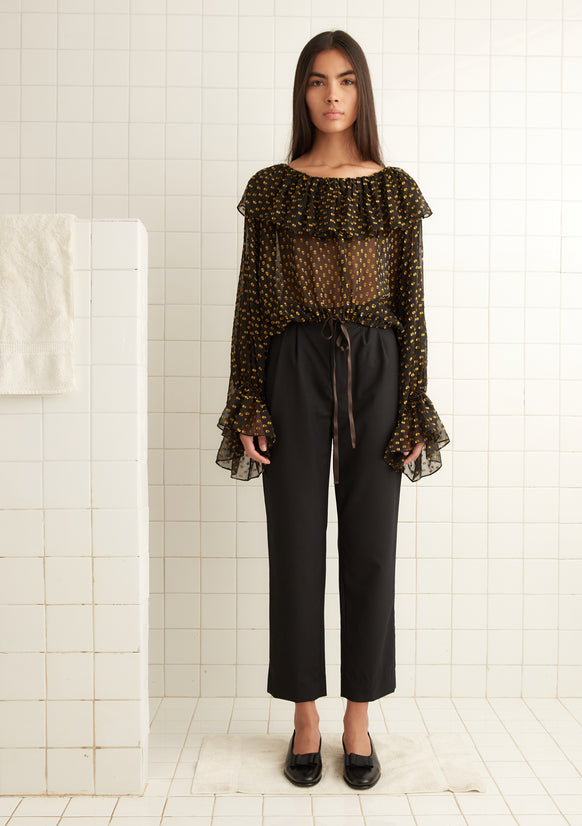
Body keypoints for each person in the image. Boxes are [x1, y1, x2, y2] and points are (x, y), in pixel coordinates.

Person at [215, 30, 450, 789]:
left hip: (377, 368)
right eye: (317, 81)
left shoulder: (392, 187)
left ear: (362, 91)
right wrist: (249, 398)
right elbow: (252, 302)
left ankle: (359, 717)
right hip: (291, 367)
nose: (332, 94)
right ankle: (304, 716)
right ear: (303, 93)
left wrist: (412, 403)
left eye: (346, 80)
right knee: (296, 545)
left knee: (372, 547)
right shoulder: (273, 187)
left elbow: (411, 306)